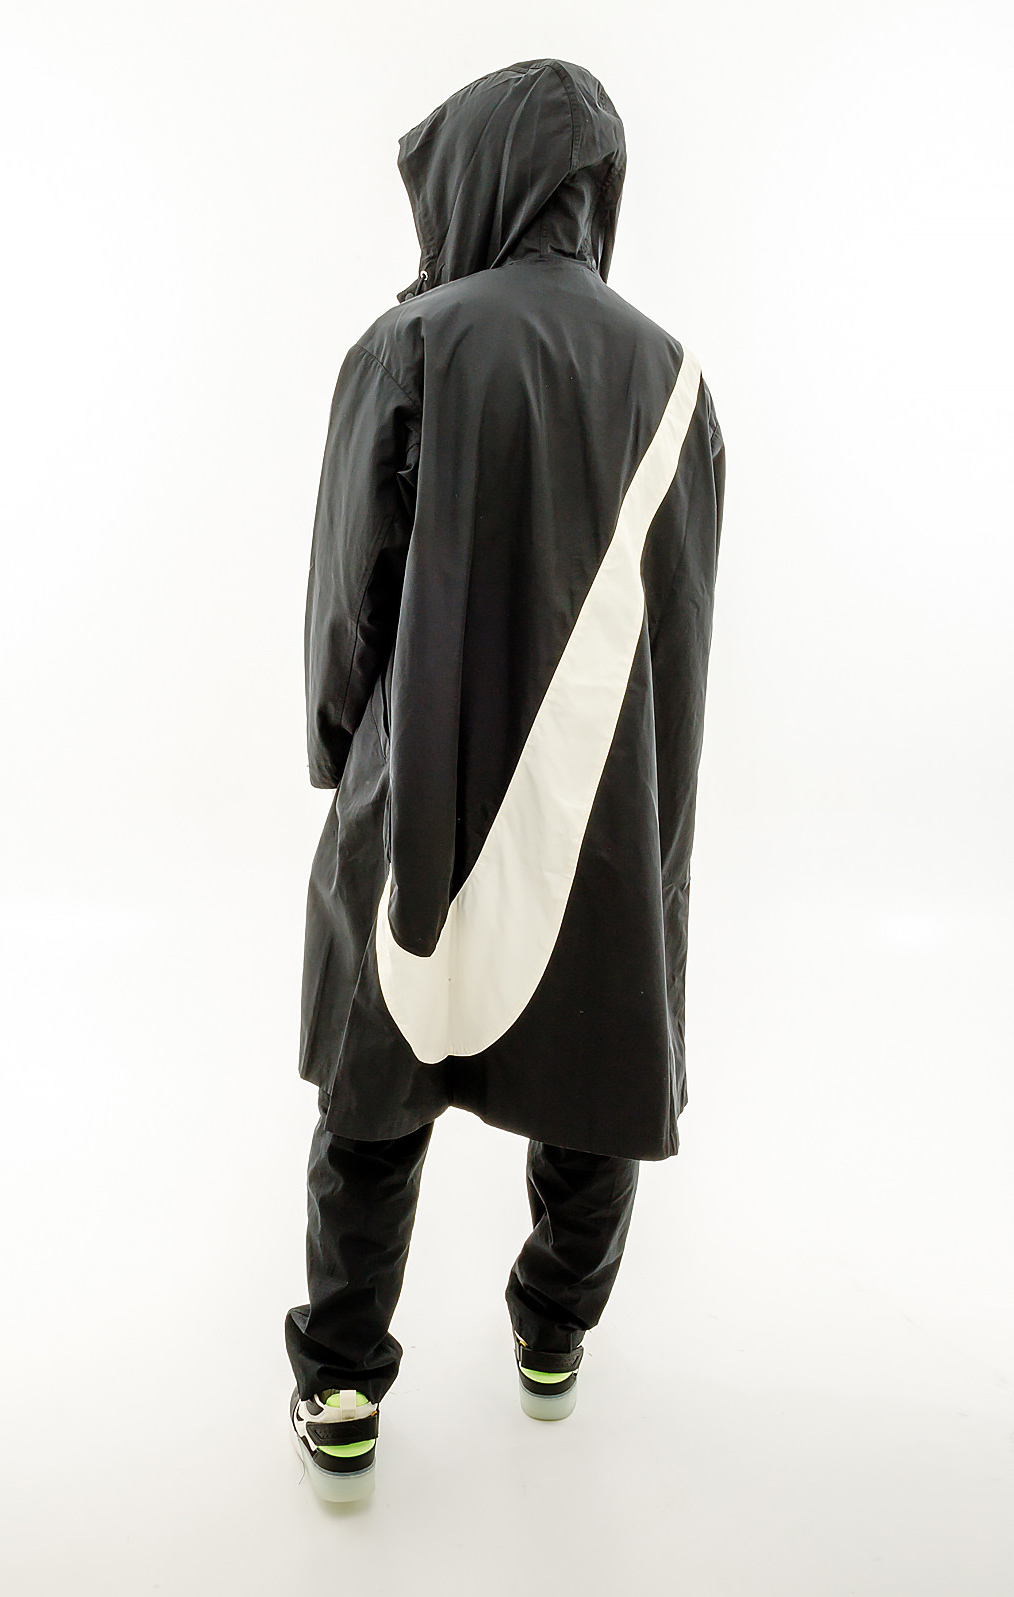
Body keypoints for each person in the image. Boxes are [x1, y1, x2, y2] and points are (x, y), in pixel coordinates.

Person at [286, 58, 726, 1502]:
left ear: (476, 175)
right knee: (594, 1055)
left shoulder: (413, 344)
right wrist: (654, 826)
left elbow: (348, 599)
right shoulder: (679, 379)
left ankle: (342, 1383)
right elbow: (684, 624)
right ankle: (554, 1336)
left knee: (378, 1075)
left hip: (422, 783)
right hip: (605, 803)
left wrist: (337, 749)